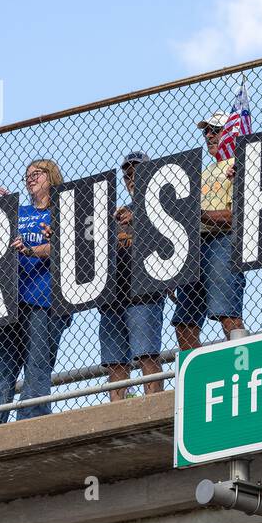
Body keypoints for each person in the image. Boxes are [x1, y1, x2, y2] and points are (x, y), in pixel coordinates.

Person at [0, 158, 73, 426]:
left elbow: (68, 248)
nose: (31, 178)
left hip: (45, 299)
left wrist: (34, 249)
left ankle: (30, 426)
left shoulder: (64, 212)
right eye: (27, 175)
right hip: (9, 301)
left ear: (52, 177)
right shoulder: (19, 213)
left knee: (37, 367)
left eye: (38, 174)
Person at [172, 113, 246, 350]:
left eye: (215, 129)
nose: (210, 135)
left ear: (230, 133)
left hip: (223, 241)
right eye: (207, 131)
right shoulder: (202, 174)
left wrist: (201, 214)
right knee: (184, 322)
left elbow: (240, 215)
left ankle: (243, 368)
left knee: (227, 313)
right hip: (194, 246)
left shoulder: (240, 165)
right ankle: (199, 376)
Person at [99, 151, 166, 400]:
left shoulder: (165, 203)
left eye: (138, 172)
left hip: (144, 290)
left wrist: (139, 219)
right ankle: (117, 410)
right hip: (113, 293)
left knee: (146, 354)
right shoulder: (115, 213)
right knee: (115, 361)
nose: (132, 178)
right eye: (127, 174)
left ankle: (153, 404)